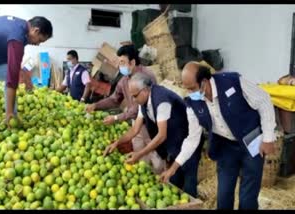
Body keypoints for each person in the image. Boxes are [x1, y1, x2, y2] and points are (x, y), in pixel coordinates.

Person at [160, 61, 276, 209]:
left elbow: (264, 101)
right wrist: (174, 167)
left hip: (251, 140)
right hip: (225, 147)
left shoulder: (233, 81)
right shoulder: (191, 103)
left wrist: (268, 138)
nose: (189, 93)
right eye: (186, 89)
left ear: (204, 81)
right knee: (224, 194)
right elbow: (192, 138)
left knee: (248, 196)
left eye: (192, 88)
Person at [104, 72, 205, 197]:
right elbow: (135, 129)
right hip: (174, 142)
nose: (133, 100)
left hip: (189, 138)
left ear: (145, 90)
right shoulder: (143, 103)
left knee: (189, 175)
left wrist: (139, 154)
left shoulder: (161, 100)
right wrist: (117, 143)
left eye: (135, 96)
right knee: (175, 179)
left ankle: (192, 202)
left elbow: (162, 135)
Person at [0, 15, 53, 152]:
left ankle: (13, 116)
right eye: (40, 40)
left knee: (12, 76)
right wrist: (8, 111)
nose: (38, 44)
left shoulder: (20, 27)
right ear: (35, 30)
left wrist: (26, 78)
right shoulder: (16, 37)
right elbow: (12, 76)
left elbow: (15, 69)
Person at [86, 44, 166, 174]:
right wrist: (96, 106)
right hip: (136, 122)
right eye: (119, 62)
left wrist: (117, 118)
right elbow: (114, 99)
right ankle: (143, 179)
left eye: (122, 62)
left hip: (152, 123)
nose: (119, 66)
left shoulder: (146, 77)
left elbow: (139, 108)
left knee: (155, 156)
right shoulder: (124, 80)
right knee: (139, 154)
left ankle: (160, 180)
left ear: (132, 62)